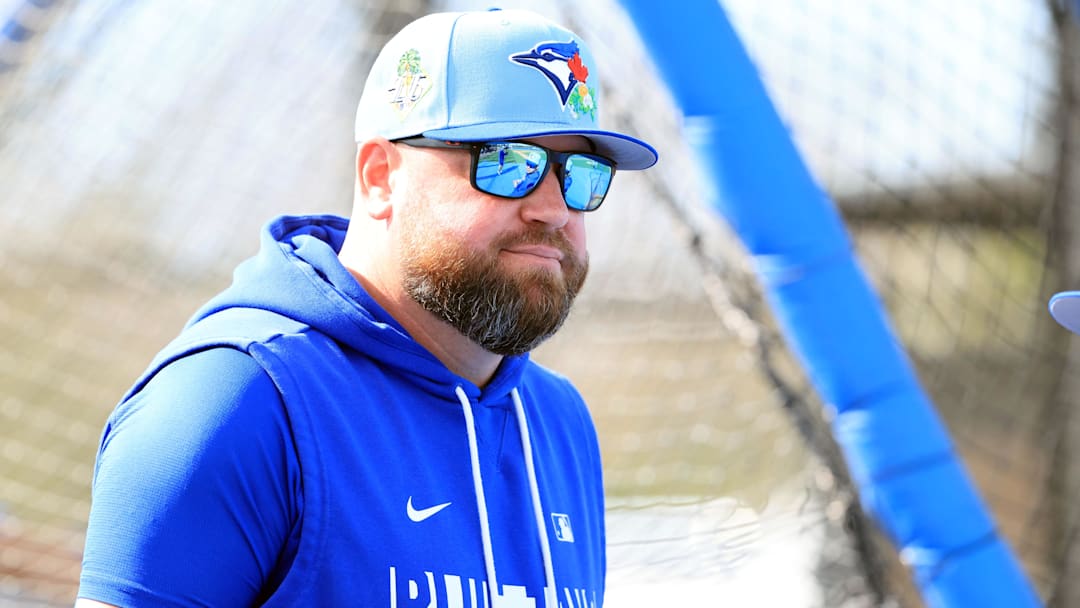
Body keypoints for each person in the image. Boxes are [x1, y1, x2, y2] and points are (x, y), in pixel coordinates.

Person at [76, 8, 656, 608]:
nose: (554, 208)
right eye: (508, 163)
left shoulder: (558, 420)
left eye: (581, 174)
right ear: (381, 177)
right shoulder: (232, 402)